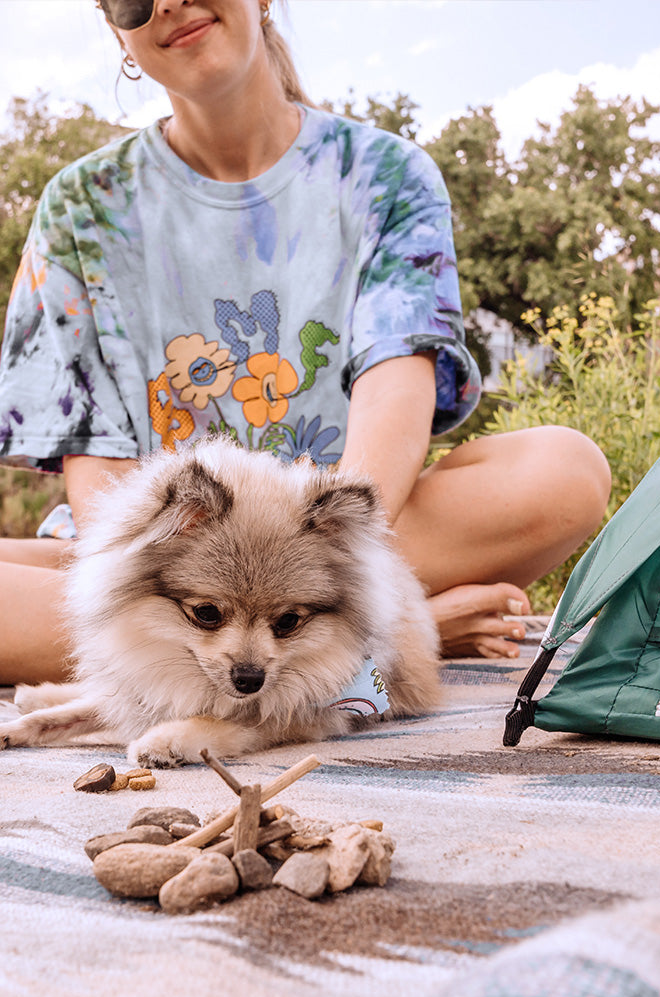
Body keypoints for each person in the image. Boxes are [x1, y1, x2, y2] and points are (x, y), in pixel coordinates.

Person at [0, 0, 611, 685]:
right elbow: (103, 488)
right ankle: (390, 634)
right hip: (169, 566)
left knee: (565, 471)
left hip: (339, 542)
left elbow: (393, 397)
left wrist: (319, 568)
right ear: (119, 33)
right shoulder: (80, 205)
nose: (167, 3)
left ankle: (338, 624)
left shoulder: (385, 173)